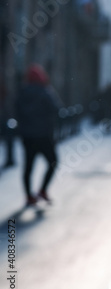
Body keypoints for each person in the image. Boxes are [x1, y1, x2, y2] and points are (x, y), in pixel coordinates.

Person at [16, 64, 61, 206]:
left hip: (27, 136)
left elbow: (16, 111)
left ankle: (29, 196)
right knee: (53, 161)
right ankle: (42, 190)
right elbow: (56, 108)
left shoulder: (22, 92)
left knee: (28, 167)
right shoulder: (45, 91)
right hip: (43, 135)